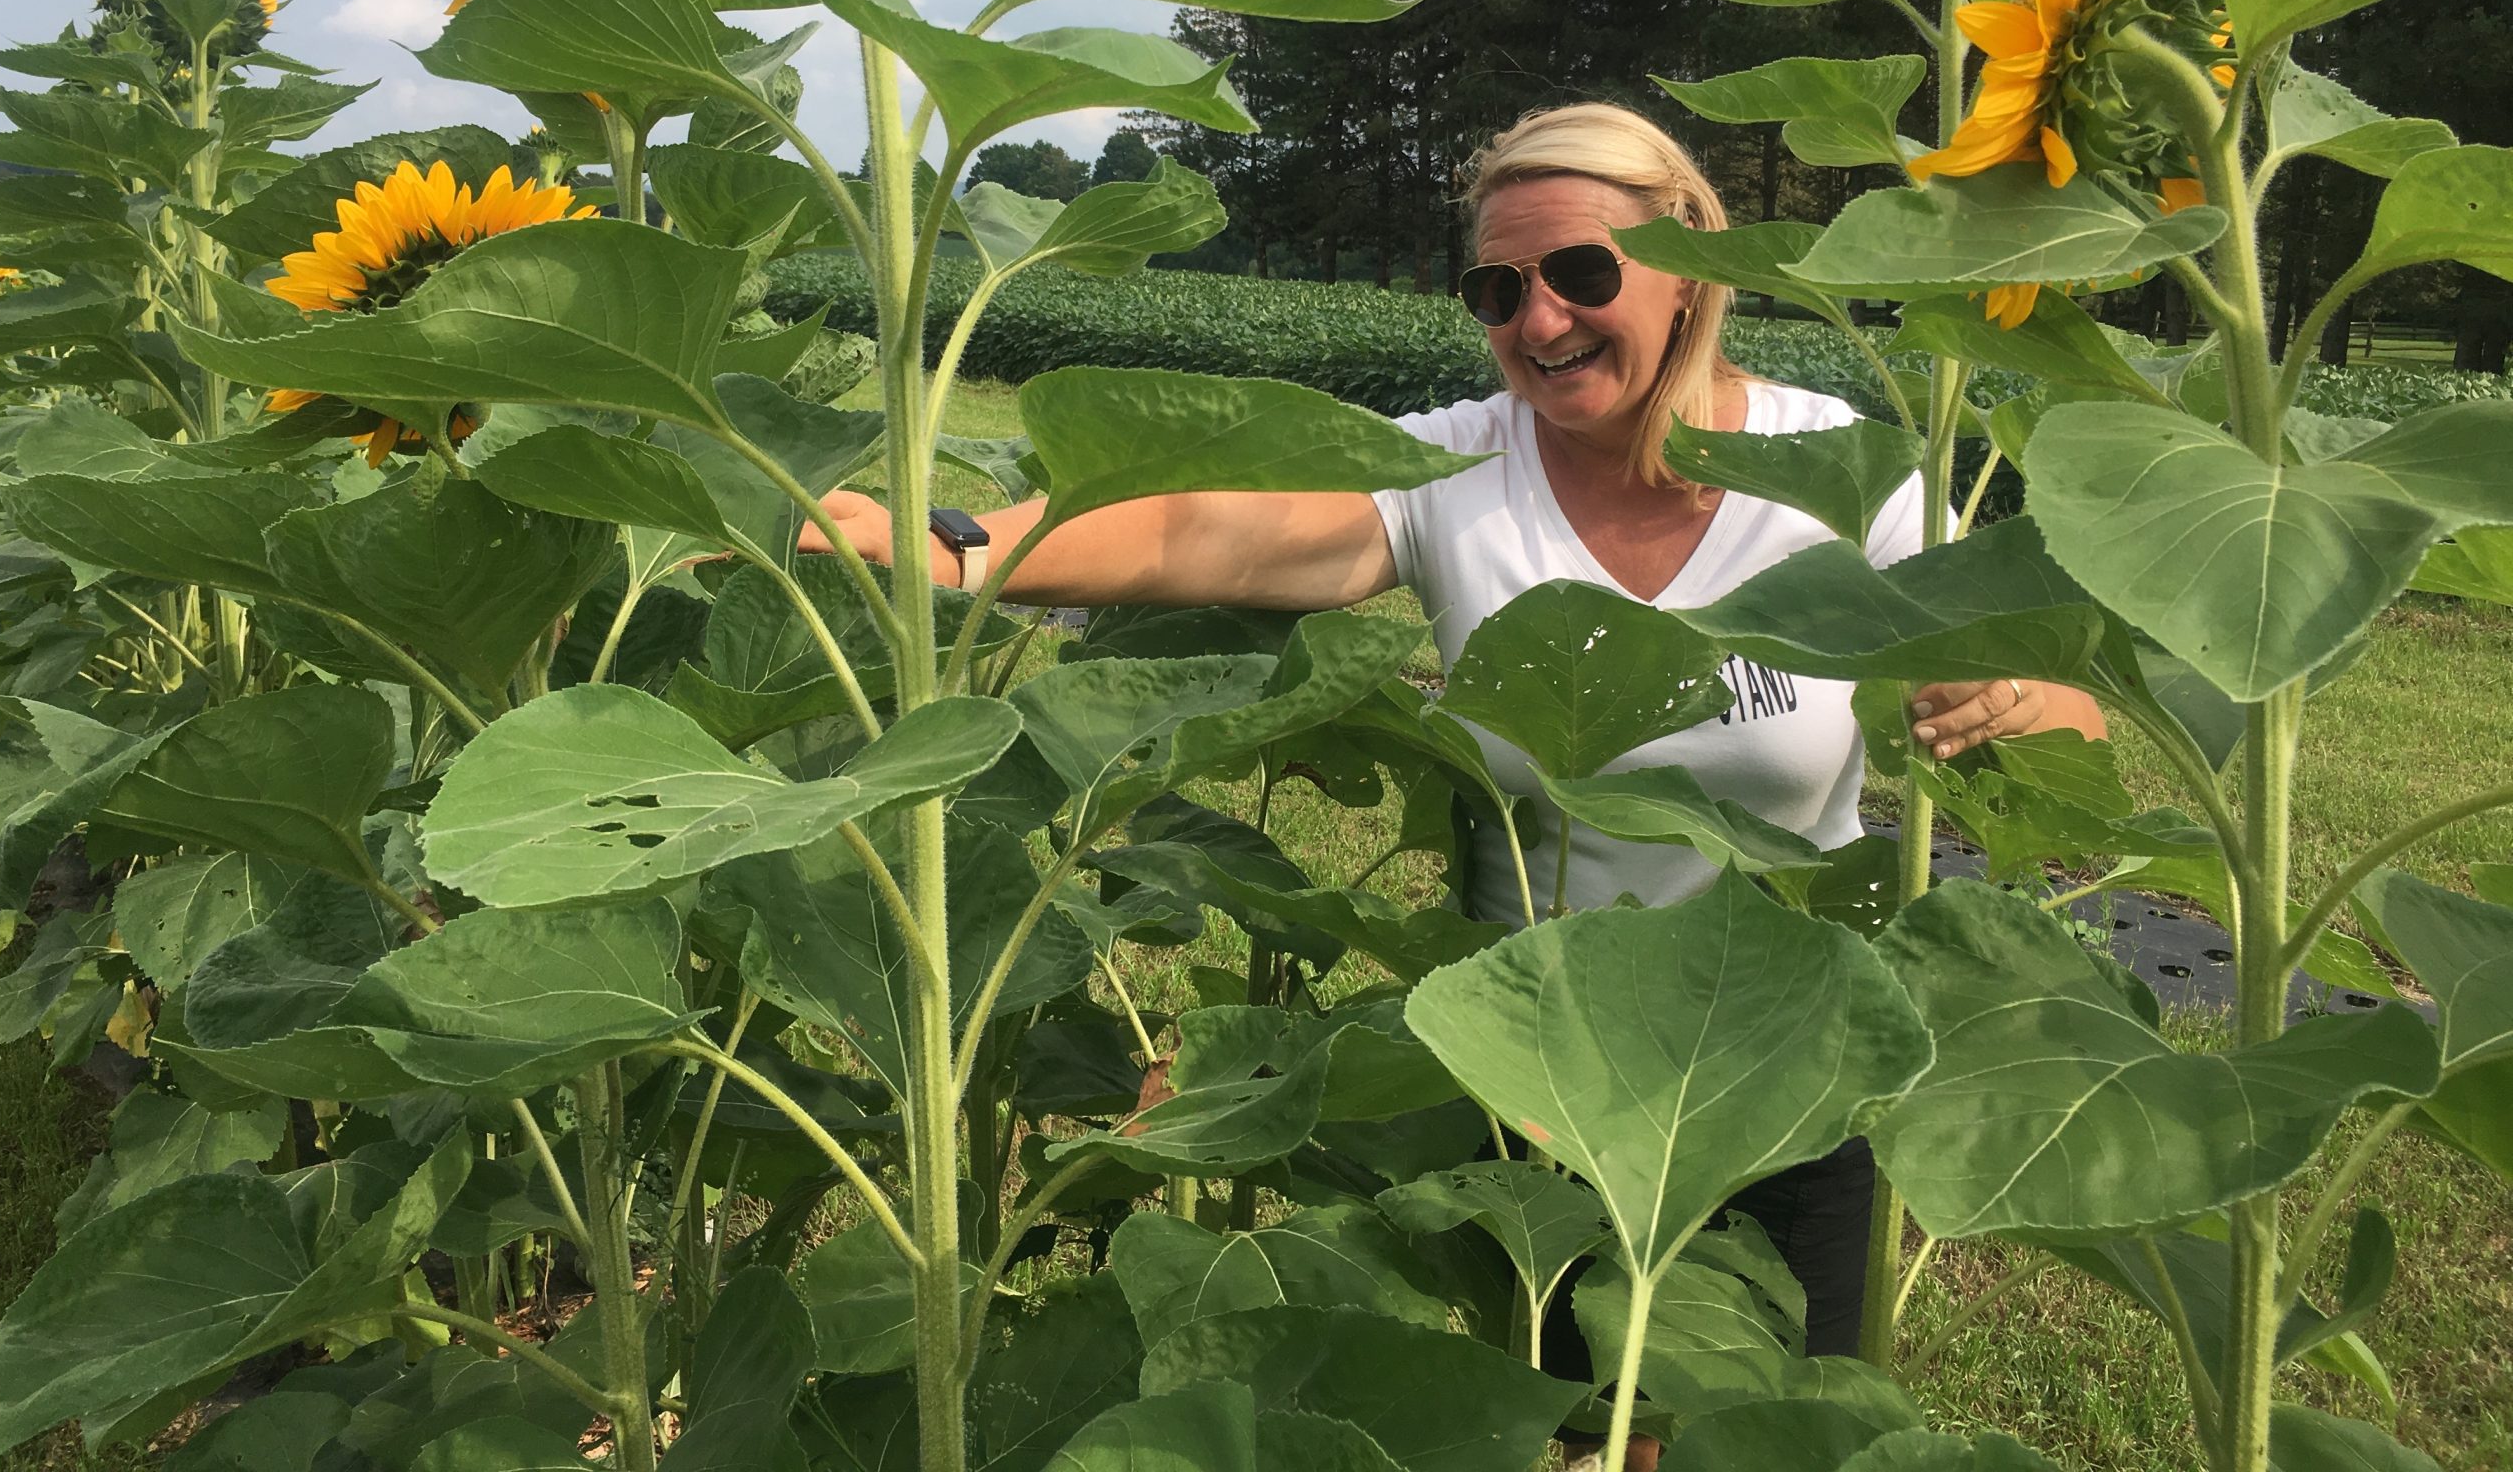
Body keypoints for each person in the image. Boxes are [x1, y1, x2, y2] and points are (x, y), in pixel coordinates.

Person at [809, 100, 2105, 1381]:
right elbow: (1209, 524)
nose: (1539, 322)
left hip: (1799, 1065)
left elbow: (2060, 700)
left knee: (1773, 1420)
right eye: (1498, 289)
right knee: (1595, 1418)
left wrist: (2033, 704)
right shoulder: (1462, 469)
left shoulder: (1845, 473)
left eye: (1584, 273)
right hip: (1543, 1069)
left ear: (1689, 265)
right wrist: (952, 545)